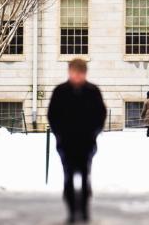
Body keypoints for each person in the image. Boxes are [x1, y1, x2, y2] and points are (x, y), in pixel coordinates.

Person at [47, 58, 107, 223]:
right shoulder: (60, 91)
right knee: (68, 177)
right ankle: (72, 211)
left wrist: (94, 133)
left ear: (85, 73)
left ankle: (84, 209)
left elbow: (100, 115)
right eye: (74, 72)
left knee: (85, 175)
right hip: (66, 143)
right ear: (69, 72)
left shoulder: (93, 91)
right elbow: (53, 115)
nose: (77, 76)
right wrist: (59, 134)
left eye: (80, 73)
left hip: (86, 143)